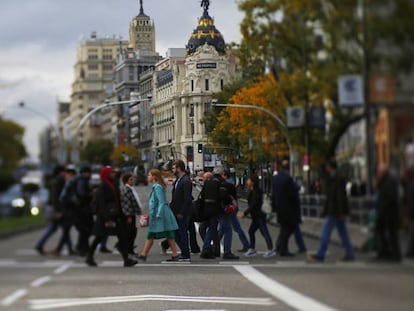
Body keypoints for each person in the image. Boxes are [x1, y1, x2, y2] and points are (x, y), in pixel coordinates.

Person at [85, 166, 137, 267]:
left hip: (115, 215)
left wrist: (123, 215)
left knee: (122, 237)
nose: (113, 174)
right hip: (105, 217)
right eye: (111, 173)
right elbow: (102, 203)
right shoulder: (103, 186)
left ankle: (126, 260)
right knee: (99, 237)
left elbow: (117, 201)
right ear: (106, 174)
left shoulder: (113, 184)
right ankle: (89, 257)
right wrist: (107, 219)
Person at [308, 159, 355, 262]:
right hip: (337, 211)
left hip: (334, 211)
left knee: (326, 232)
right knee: (343, 233)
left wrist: (339, 211)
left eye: (327, 166)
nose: (326, 168)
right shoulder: (337, 177)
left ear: (330, 167)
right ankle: (350, 253)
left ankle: (321, 254)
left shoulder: (336, 179)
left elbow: (337, 197)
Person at [137, 169, 179, 262]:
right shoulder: (157, 186)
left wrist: (158, 214)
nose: (147, 177)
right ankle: (174, 254)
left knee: (152, 234)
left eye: (149, 175)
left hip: (159, 214)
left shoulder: (157, 187)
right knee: (168, 234)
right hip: (160, 213)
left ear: (154, 176)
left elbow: (162, 202)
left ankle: (144, 254)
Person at [200, 165, 239, 260]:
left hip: (209, 209)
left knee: (211, 229)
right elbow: (224, 197)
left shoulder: (208, 182)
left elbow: (202, 195)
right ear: (222, 173)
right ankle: (227, 252)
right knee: (228, 229)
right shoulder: (222, 183)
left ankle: (205, 250)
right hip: (219, 209)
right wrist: (228, 205)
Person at [34, 165, 71, 255]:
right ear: (60, 172)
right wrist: (58, 210)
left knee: (56, 228)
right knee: (65, 228)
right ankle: (67, 249)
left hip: (53, 207)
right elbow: (56, 196)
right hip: (57, 208)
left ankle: (40, 244)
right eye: (64, 171)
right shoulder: (60, 180)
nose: (65, 173)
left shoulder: (54, 180)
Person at [160, 160, 193, 261]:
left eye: (174, 168)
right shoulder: (179, 180)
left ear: (179, 168)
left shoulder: (186, 181)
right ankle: (183, 252)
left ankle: (185, 254)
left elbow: (187, 199)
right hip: (175, 211)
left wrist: (181, 212)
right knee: (175, 233)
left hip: (181, 213)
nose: (172, 170)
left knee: (182, 233)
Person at [272, 160, 303, 256]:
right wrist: (297, 188)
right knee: (289, 228)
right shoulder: (288, 179)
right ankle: (282, 248)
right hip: (289, 208)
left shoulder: (276, 178)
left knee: (284, 228)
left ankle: (281, 247)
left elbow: (273, 195)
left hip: (279, 207)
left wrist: (274, 207)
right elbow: (292, 194)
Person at [242, 175, 275, 258]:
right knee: (251, 231)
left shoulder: (256, 191)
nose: (247, 182)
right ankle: (252, 249)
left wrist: (245, 213)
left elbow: (254, 204)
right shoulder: (253, 191)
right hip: (256, 216)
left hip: (259, 215)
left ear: (252, 182)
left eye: (248, 180)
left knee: (264, 232)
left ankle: (270, 249)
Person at [374, 164, 402, 262]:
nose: (378, 173)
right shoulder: (386, 180)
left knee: (391, 233)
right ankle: (388, 253)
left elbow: (388, 198)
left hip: (388, 213)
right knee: (387, 233)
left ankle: (392, 254)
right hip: (387, 212)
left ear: (384, 172)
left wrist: (381, 211)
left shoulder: (389, 181)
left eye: (379, 171)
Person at [221, 169, 250, 253]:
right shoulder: (231, 183)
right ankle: (246, 244)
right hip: (233, 207)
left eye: (223, 175)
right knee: (225, 227)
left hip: (230, 208)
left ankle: (246, 244)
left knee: (229, 227)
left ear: (225, 175)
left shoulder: (227, 184)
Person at [120, 172, 143, 255]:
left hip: (132, 213)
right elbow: (126, 204)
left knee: (132, 232)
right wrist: (129, 216)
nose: (133, 181)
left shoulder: (131, 188)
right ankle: (128, 249)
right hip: (129, 215)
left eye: (133, 179)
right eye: (131, 179)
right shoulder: (126, 190)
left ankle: (129, 248)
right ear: (126, 181)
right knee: (130, 232)